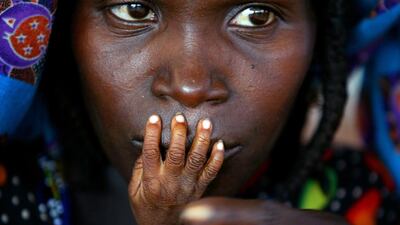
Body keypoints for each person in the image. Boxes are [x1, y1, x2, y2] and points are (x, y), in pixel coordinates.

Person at [1, 0, 399, 225]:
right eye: (134, 11)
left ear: (319, 47)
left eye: (255, 17)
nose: (190, 85)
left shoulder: (359, 198)